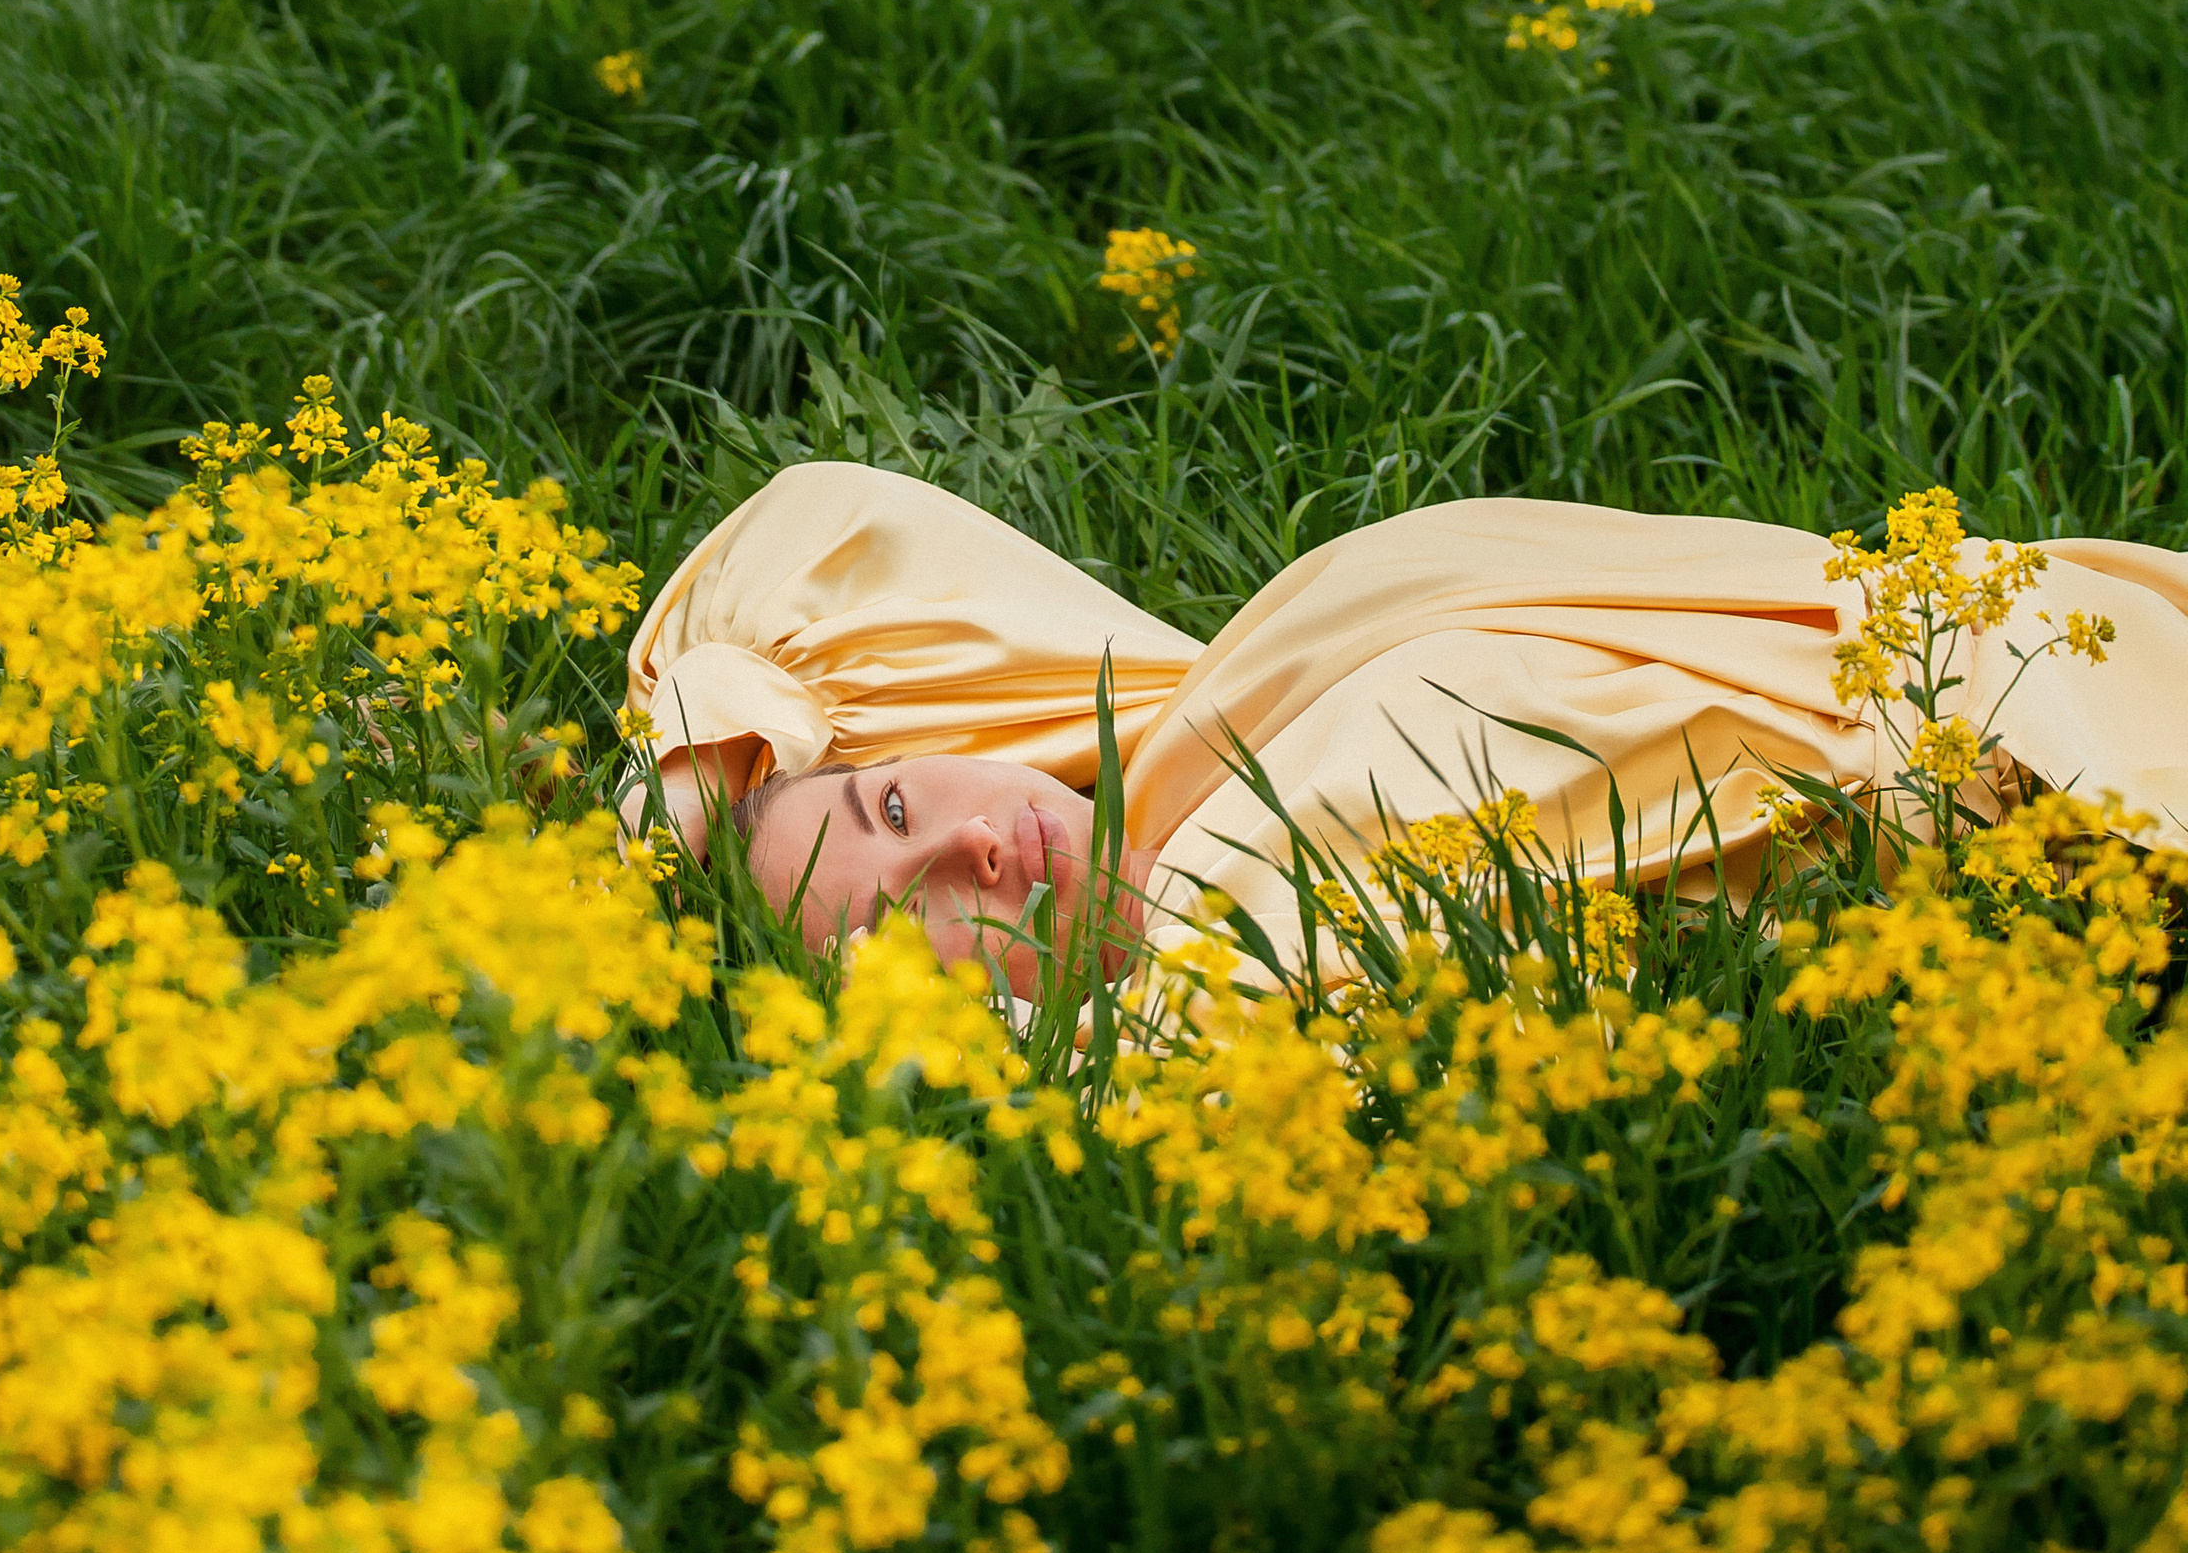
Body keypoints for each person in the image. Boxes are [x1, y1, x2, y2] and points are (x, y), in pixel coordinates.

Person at [627, 456, 2188, 992]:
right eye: (928, 923)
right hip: (2055, 818)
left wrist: (673, 819)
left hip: (2037, 650)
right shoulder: (1218, 1003)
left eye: (894, 805)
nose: (980, 839)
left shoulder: (1167, 726)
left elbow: (804, 539)